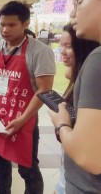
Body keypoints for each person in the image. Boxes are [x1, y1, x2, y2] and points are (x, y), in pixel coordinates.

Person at [0, 1, 55, 194]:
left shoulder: (40, 52)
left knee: (28, 168)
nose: (5, 30)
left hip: (24, 119)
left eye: (12, 25)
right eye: (2, 24)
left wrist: (23, 119)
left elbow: (44, 90)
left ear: (25, 24)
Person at [49, 0, 101, 193]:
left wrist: (61, 123)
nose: (74, 12)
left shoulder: (97, 60)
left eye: (80, 1)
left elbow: (88, 157)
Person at [54, 24, 99, 194]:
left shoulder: (95, 65)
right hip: (70, 175)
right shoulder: (77, 78)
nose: (63, 52)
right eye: (61, 46)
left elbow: (87, 152)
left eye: (69, 46)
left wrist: (61, 124)